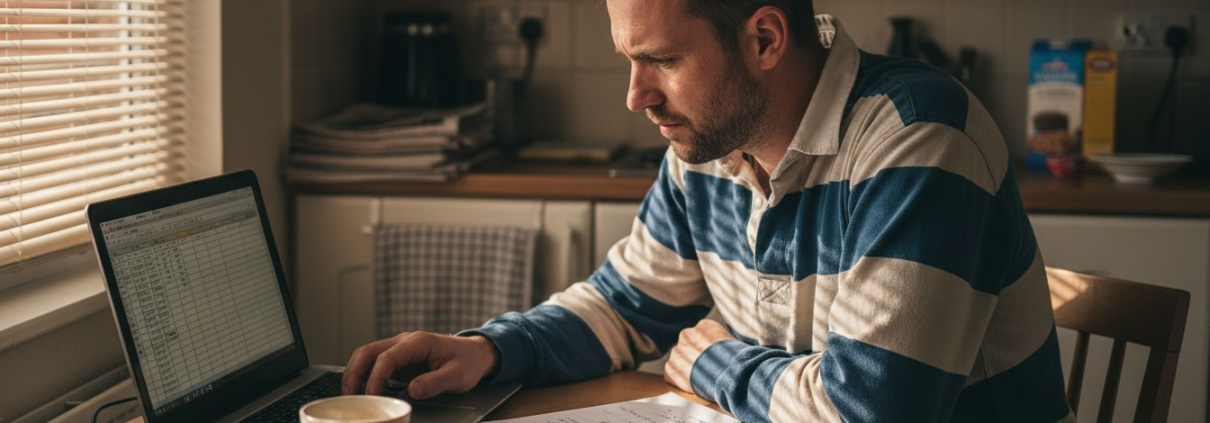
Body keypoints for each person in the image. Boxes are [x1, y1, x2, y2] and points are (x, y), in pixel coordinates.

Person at [342, 1, 1074, 422]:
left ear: (762, 39)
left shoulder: (916, 141)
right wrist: (490, 349)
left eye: (659, 60)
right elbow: (626, 306)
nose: (636, 96)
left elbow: (872, 412)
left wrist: (714, 361)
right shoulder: (708, 152)